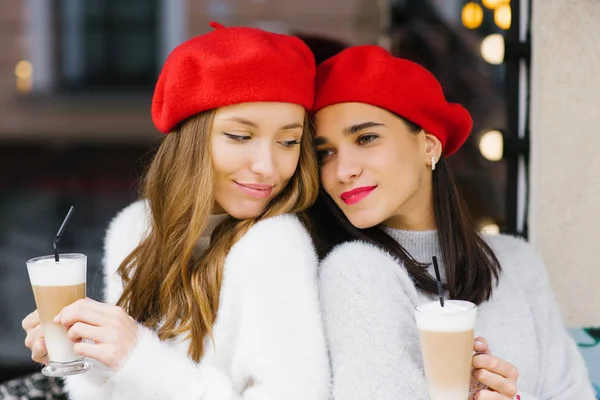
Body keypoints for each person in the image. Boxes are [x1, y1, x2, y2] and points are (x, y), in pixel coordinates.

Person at [22, 22, 330, 400]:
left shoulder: (274, 245)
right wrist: (90, 357)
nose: (267, 165)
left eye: (289, 141)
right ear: (191, 140)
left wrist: (137, 357)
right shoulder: (136, 230)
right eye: (240, 136)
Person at [308, 45, 595, 399]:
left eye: (366, 138)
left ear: (429, 145)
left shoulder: (518, 262)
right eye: (325, 153)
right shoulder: (355, 272)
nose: (342, 170)